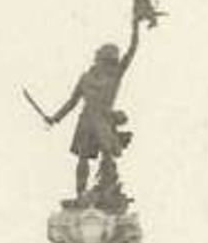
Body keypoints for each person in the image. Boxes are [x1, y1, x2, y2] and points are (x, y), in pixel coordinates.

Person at [47, 12, 142, 201]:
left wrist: (135, 26)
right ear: (99, 59)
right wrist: (55, 118)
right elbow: (72, 101)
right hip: (86, 119)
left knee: (107, 155)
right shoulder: (86, 78)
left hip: (103, 120)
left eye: (111, 61)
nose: (109, 64)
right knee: (82, 158)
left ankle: (108, 190)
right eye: (106, 60)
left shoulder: (114, 76)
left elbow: (131, 51)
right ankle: (81, 194)